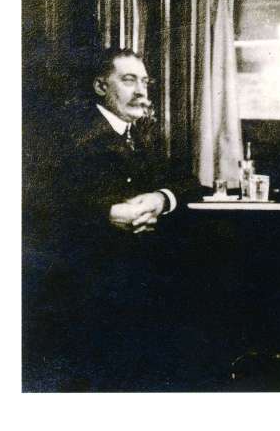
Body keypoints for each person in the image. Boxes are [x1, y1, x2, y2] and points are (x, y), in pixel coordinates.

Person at [25, 48, 203, 391]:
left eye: (145, 82)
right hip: (82, 292)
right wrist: (106, 214)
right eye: (129, 80)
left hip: (137, 286)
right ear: (100, 86)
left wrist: (160, 199)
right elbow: (36, 204)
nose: (141, 91)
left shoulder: (142, 134)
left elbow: (191, 182)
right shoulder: (66, 135)